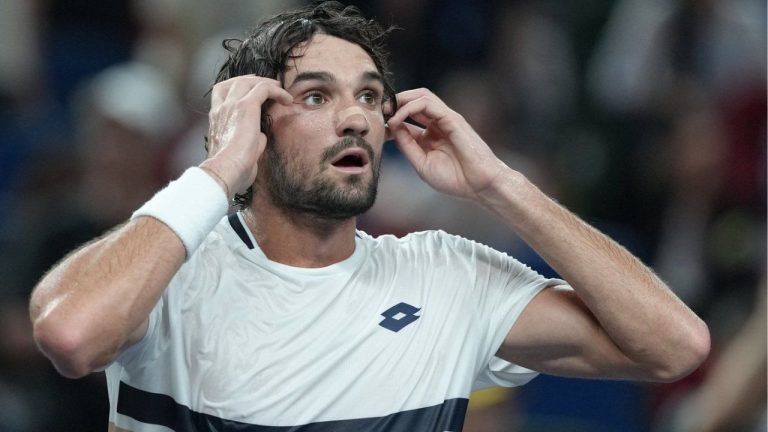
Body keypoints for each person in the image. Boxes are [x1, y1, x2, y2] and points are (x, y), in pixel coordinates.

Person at [29, 2, 710, 431]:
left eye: (369, 96)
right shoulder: (172, 270)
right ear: (251, 125)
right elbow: (69, 333)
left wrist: (501, 185)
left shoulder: (447, 274)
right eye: (316, 96)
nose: (356, 116)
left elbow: (673, 347)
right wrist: (218, 167)